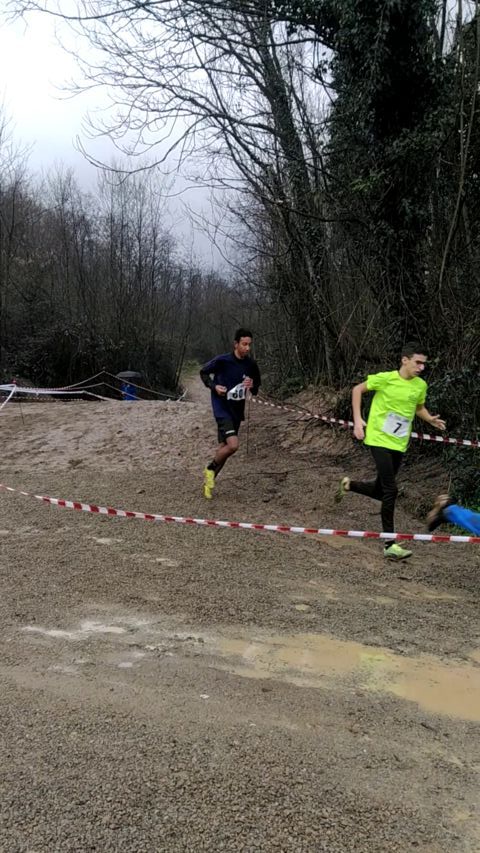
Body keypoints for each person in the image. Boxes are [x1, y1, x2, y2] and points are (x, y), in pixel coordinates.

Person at [335, 342, 446, 561]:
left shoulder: (420, 385)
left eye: (424, 364)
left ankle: (349, 485)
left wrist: (430, 419)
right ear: (405, 360)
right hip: (378, 439)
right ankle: (389, 544)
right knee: (391, 490)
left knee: (381, 491)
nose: (421, 367)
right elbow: (357, 390)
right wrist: (357, 420)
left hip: (399, 443)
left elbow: (418, 407)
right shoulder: (386, 378)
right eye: (418, 362)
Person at [200, 328, 261, 499]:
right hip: (221, 408)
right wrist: (214, 387)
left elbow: (256, 388)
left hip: (236, 411)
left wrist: (252, 385)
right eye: (244, 344)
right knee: (233, 445)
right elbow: (203, 372)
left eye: (249, 345)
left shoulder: (251, 364)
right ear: (236, 344)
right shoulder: (222, 360)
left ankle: (208, 483)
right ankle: (209, 469)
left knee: (224, 449)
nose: (247, 348)